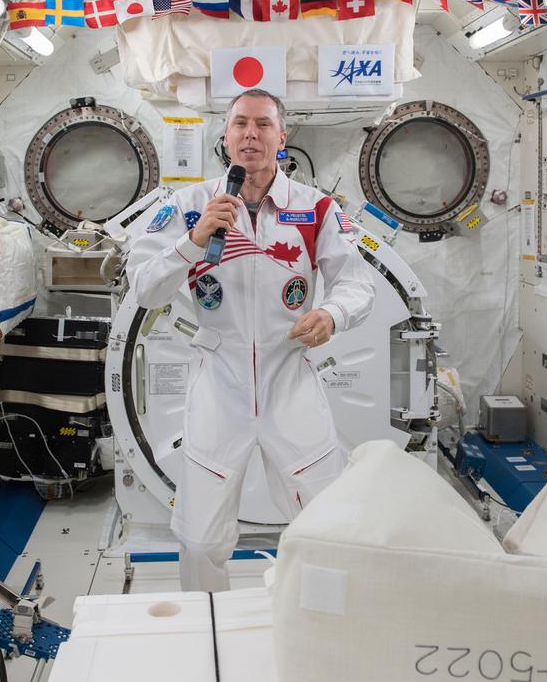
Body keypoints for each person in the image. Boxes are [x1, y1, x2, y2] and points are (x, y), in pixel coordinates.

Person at [126, 88, 376, 591]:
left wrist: (333, 311)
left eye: (263, 125)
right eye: (240, 123)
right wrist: (192, 242)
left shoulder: (317, 209)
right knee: (199, 541)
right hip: (220, 382)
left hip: (291, 380)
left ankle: (315, 630)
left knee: (327, 527)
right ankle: (208, 638)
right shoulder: (190, 205)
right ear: (225, 135)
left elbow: (358, 280)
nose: (251, 134)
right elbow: (146, 288)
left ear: (282, 138)